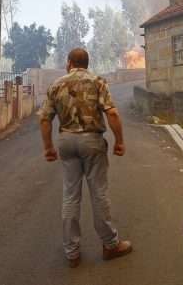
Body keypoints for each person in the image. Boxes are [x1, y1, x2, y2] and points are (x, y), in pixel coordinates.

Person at [38, 48, 133, 268]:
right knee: (99, 193)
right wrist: (119, 141)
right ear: (86, 64)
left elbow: (44, 119)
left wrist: (48, 147)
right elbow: (112, 113)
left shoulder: (56, 84)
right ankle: (110, 245)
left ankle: (72, 253)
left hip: (66, 141)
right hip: (92, 142)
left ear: (70, 62)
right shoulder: (97, 81)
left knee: (71, 196)